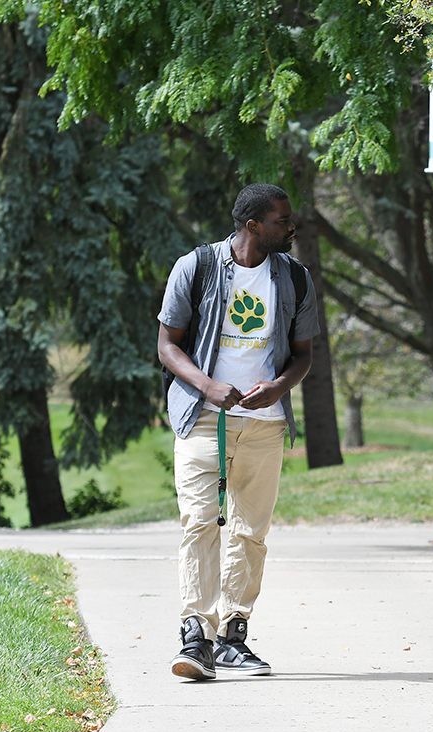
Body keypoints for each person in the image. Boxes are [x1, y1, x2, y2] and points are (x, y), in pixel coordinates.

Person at [157, 183, 319, 680]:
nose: (291, 228)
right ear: (252, 225)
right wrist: (207, 386)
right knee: (200, 521)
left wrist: (278, 388)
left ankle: (233, 636)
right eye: (281, 221)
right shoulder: (196, 267)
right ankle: (195, 636)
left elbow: (303, 355)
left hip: (265, 426)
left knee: (250, 532)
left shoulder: (293, 277)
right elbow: (167, 345)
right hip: (203, 418)